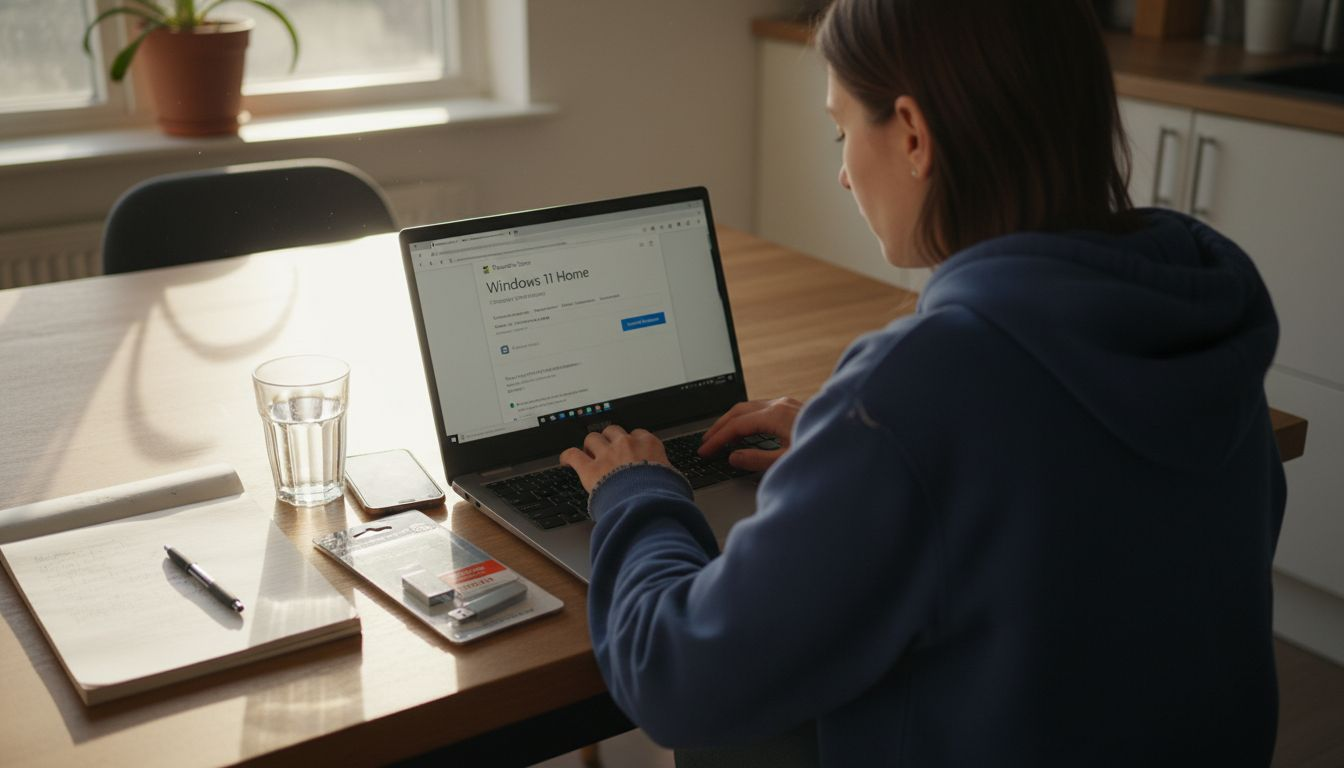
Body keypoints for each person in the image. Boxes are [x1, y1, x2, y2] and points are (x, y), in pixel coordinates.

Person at [559, 0, 1286, 764]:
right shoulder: (1198, 315)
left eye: (843, 131)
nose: (841, 173)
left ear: (911, 134)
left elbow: (672, 677)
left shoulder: (922, 387)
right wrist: (849, 452)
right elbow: (1074, 505)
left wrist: (638, 490)